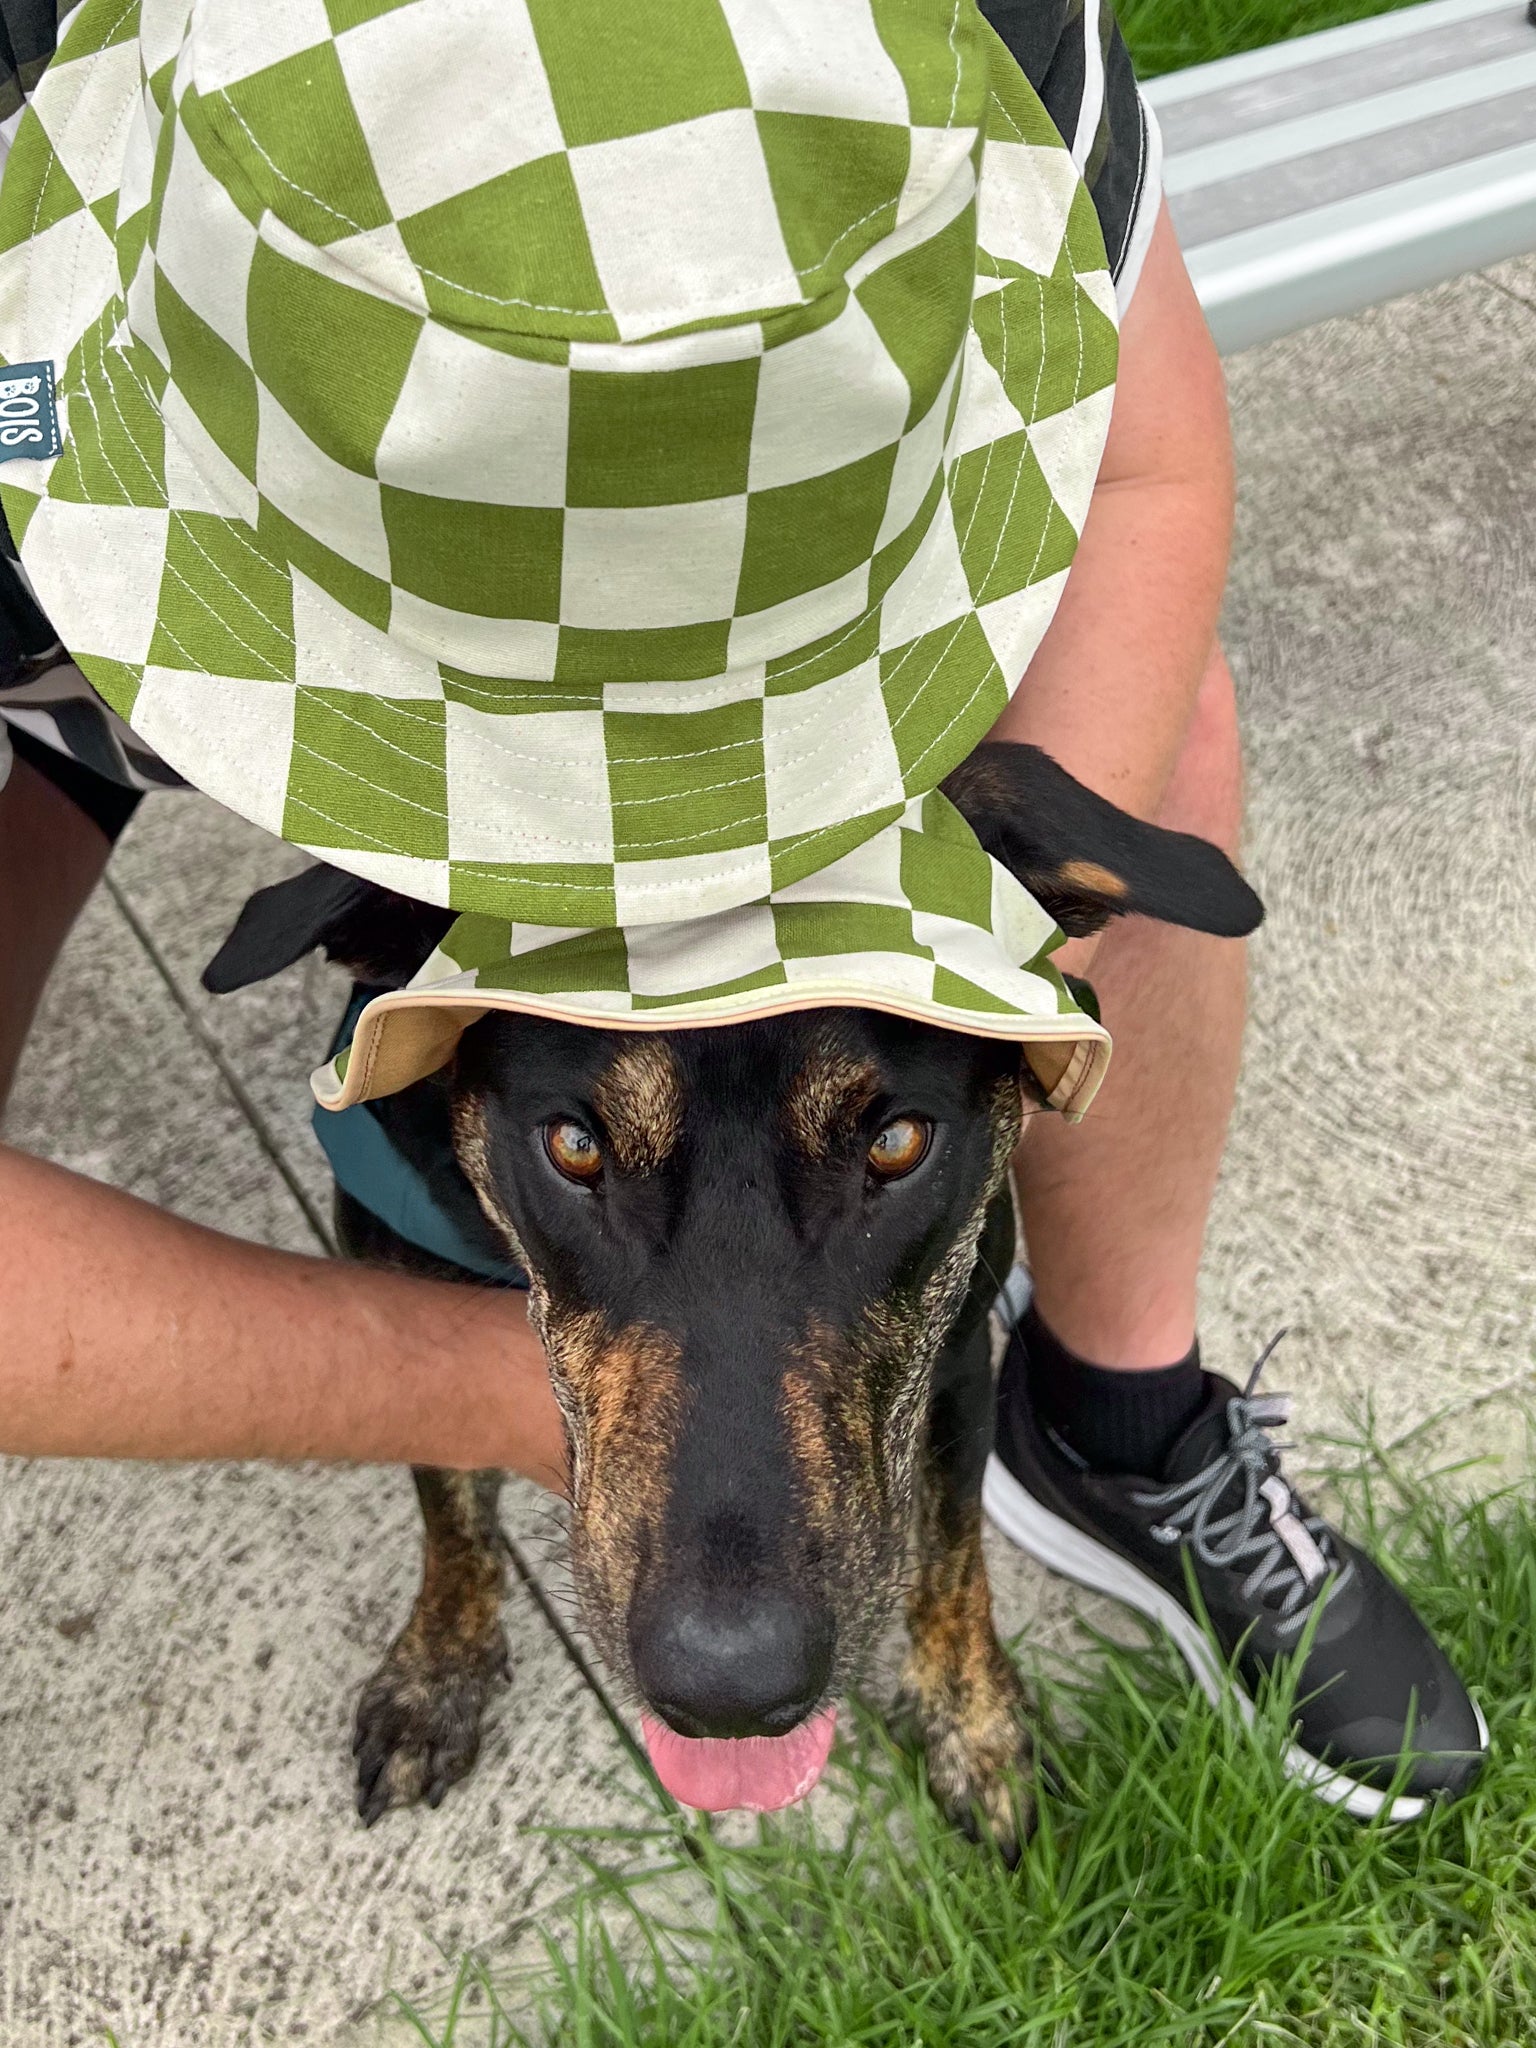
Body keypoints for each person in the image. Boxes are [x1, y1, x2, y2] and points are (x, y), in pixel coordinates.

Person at [0, 0, 1482, 1816]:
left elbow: (1142, 461)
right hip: (57, 648)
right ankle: (454, 1599)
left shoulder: (972, 50)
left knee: (1165, 740)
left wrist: (1004, 960)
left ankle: (1119, 1428)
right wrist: (495, 1396)